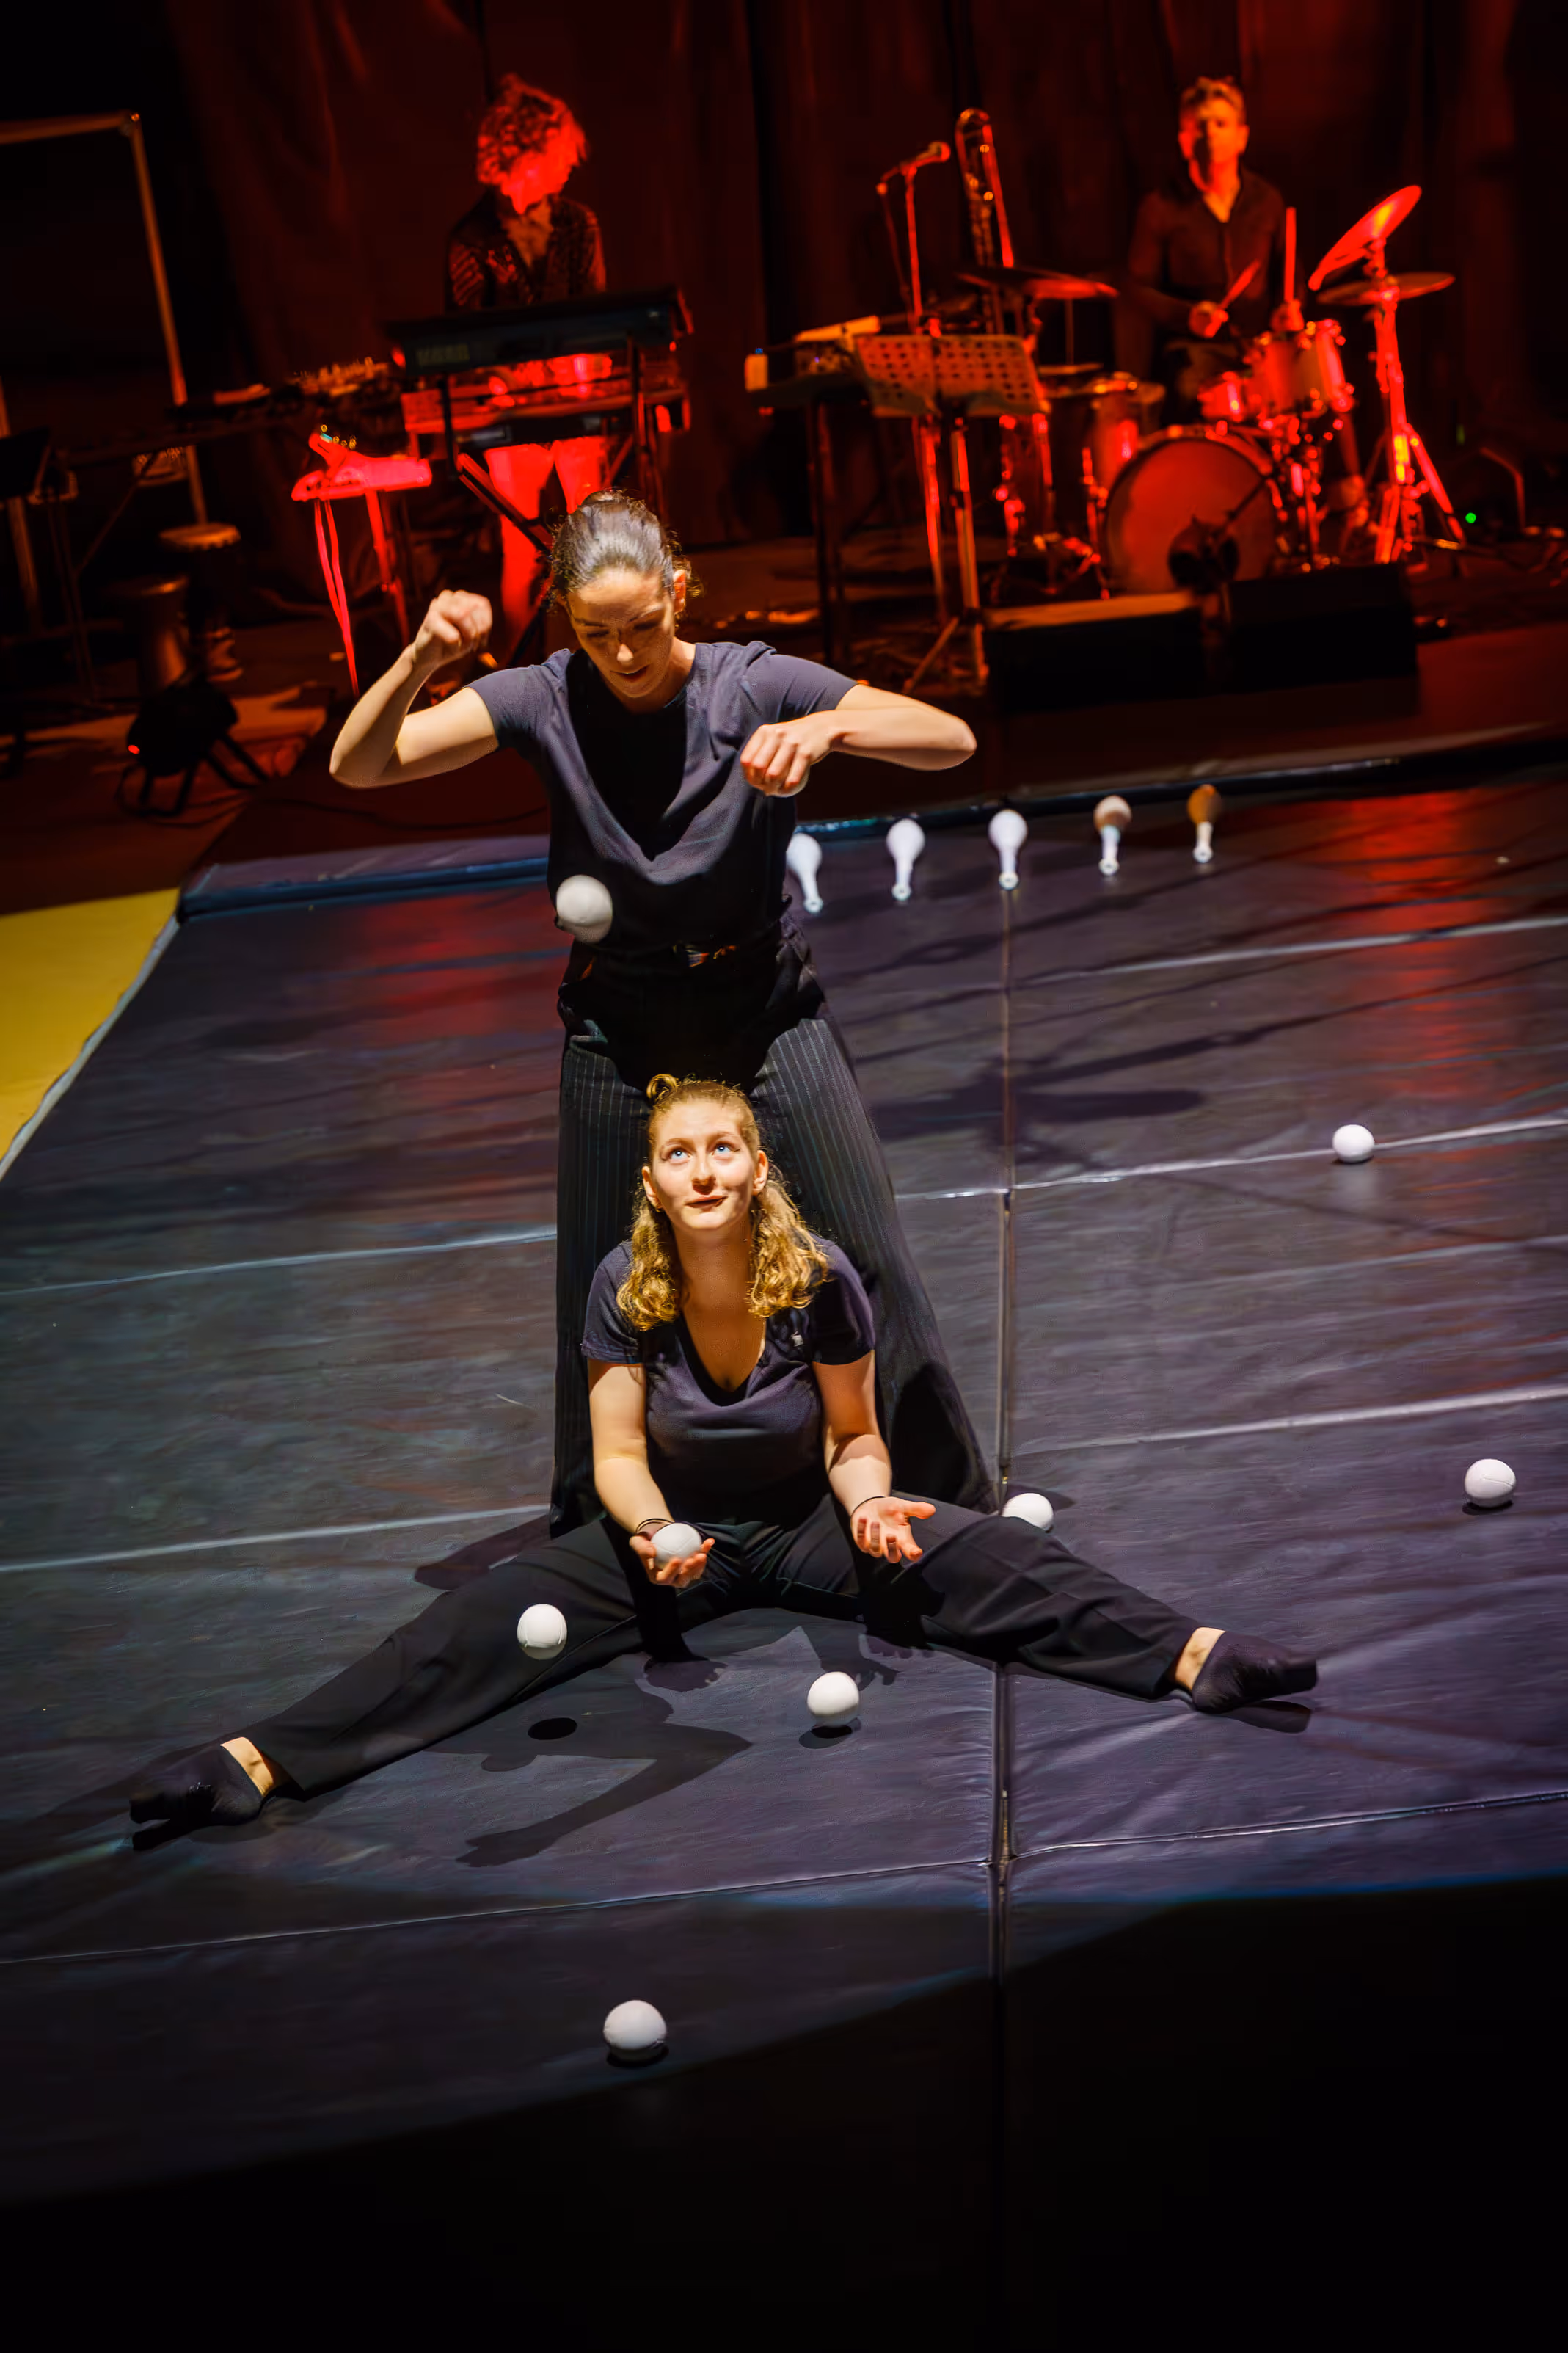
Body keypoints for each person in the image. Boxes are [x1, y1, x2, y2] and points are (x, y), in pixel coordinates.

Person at [129, 1080, 1317, 1835]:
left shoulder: (821, 1278)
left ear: (757, 1168)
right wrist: (652, 1533)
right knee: (473, 1627)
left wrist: (868, 1510)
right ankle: (260, 1762)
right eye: (679, 1153)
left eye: (723, 1149)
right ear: (651, 1179)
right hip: (668, 1533)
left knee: (992, 1555)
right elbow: (613, 1451)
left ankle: (1190, 1654)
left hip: (807, 1520)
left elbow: (857, 1436)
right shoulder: (621, 1287)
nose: (702, 1169)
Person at [329, 490, 993, 1531]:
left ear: (680, 591)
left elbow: (947, 737)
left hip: (763, 1006)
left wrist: (827, 727)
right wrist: (420, 655)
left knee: (864, 1244)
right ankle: (606, 1525)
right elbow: (360, 765)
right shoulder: (541, 697)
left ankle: (944, 1501)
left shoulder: (752, 681)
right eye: (597, 634)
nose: (626, 654)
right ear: (562, 619)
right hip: (618, 1018)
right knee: (601, 1276)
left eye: (643, 625)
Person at [1126, 74, 1365, 525]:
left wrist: (1289, 305)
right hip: (1197, 348)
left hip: (1262, 344)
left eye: (1220, 123)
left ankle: (1351, 511)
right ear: (1183, 139)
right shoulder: (1160, 207)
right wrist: (1187, 315)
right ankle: (1222, 514)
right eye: (1199, 125)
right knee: (1189, 385)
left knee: (1322, 383)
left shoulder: (1267, 200)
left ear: (1242, 136)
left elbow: (1286, 276)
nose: (1210, 132)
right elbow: (1136, 288)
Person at [445, 76, 608, 655]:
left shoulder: (577, 225)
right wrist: (509, 377)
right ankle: (523, 679)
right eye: (562, 150)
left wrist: (581, 367)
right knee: (522, 548)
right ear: (528, 152)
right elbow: (467, 342)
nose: (571, 163)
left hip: (577, 405)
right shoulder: (471, 240)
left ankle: (609, 669)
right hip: (510, 412)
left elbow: (597, 317)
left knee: (597, 537)